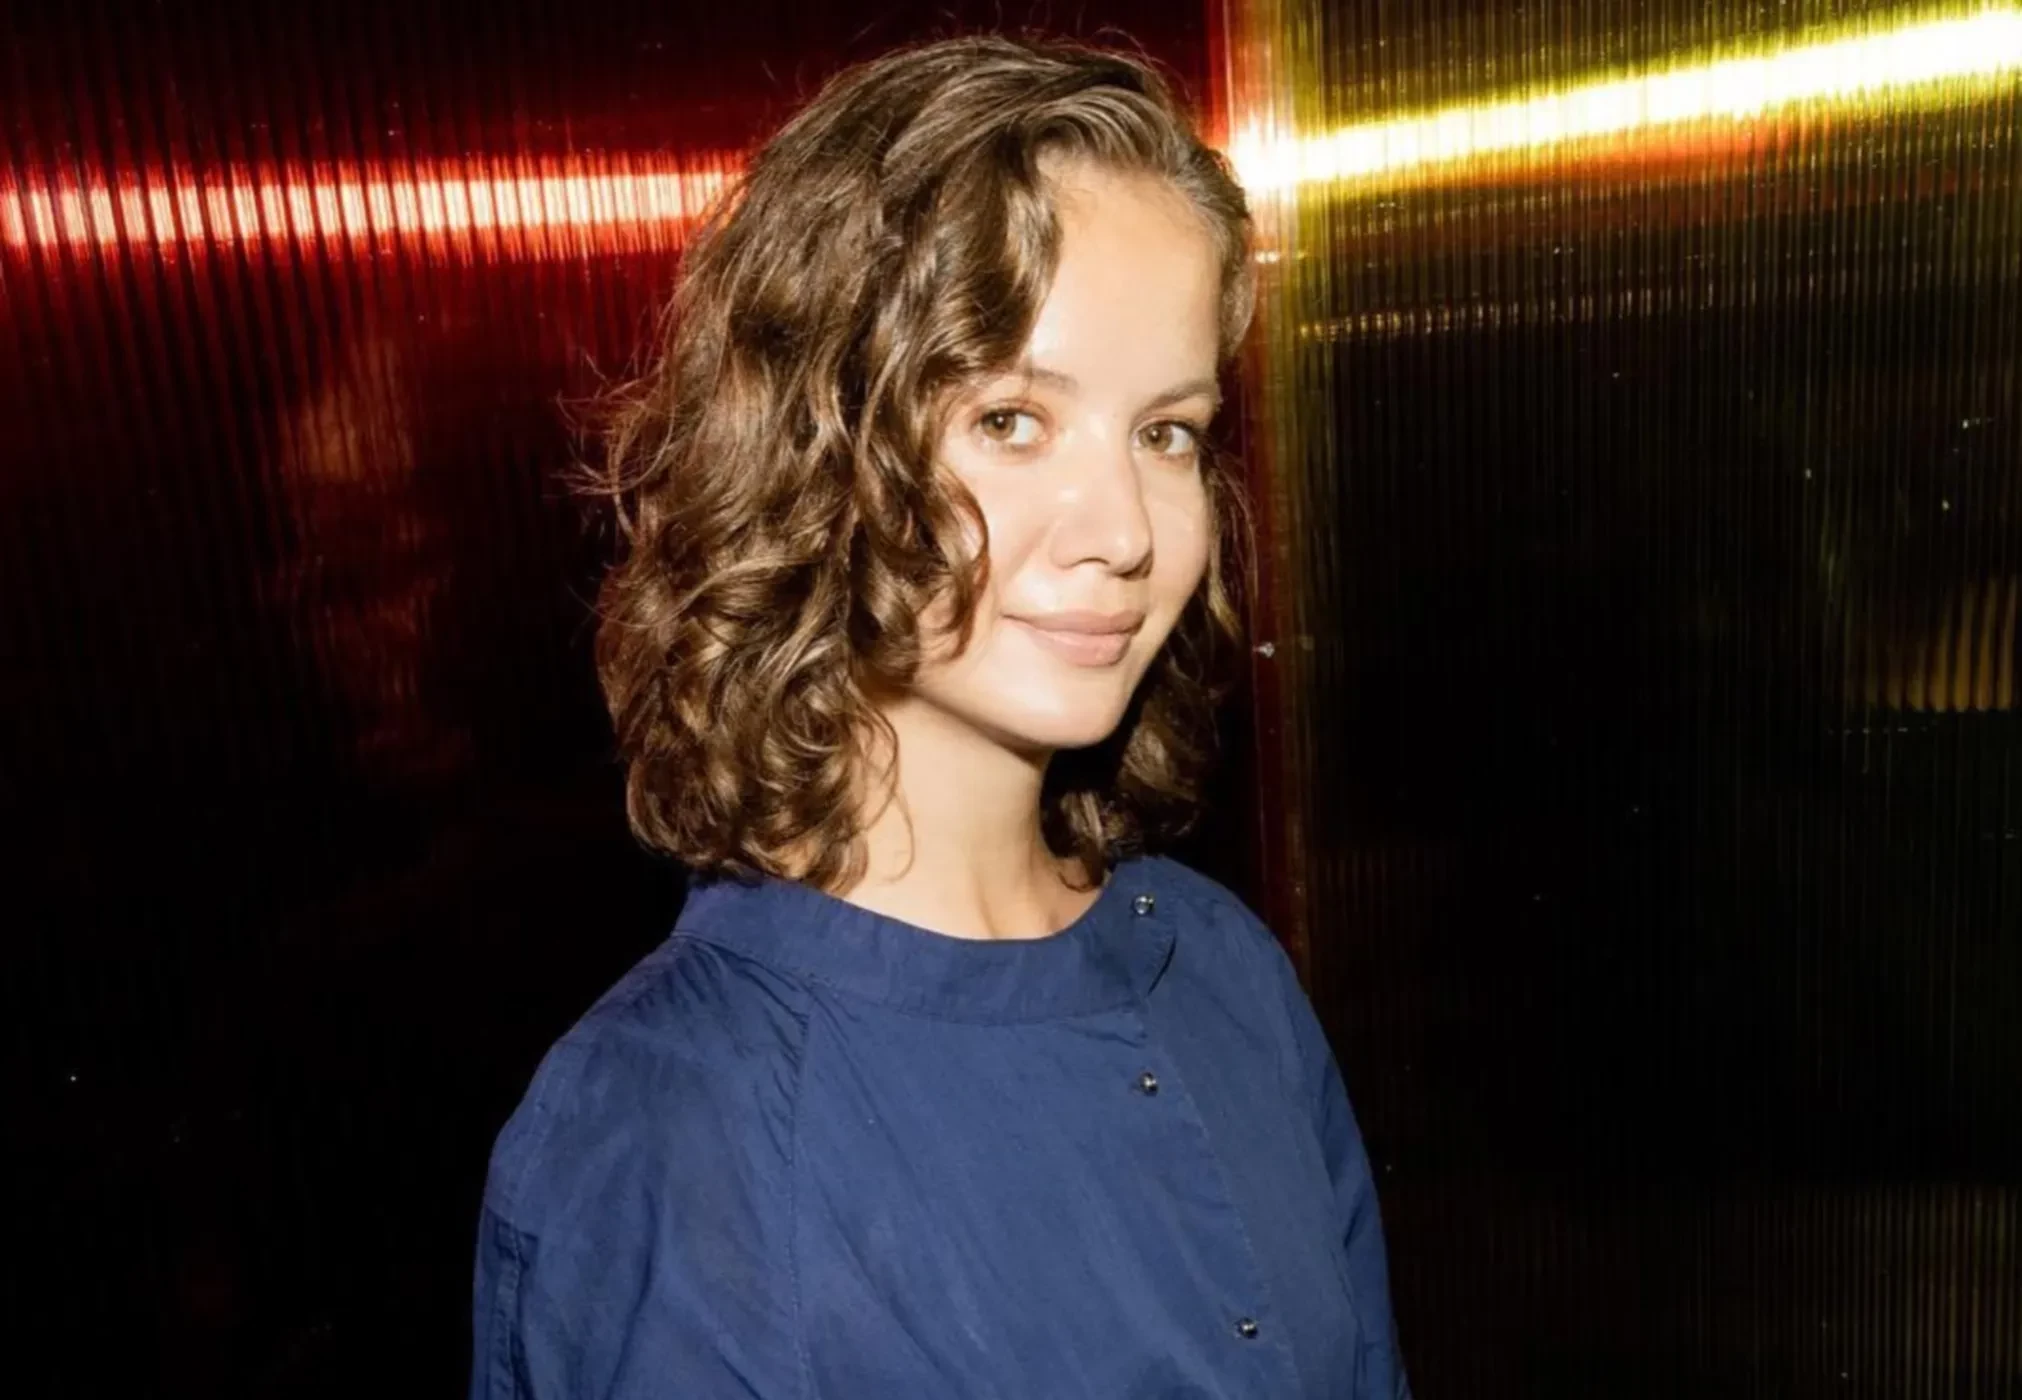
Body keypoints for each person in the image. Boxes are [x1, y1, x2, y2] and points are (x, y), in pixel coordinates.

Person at [468, 33, 1409, 1400]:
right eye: (1012, 420)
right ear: (814, 445)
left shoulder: (1219, 968)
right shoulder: (673, 1133)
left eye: (1166, 433)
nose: (1122, 531)